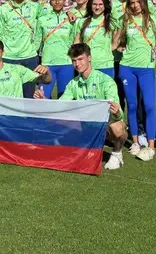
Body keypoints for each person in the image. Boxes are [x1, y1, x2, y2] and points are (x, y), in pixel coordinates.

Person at [41, 43, 126, 171]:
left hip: (105, 125)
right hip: (86, 125)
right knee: (55, 117)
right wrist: (45, 101)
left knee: (118, 127)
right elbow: (61, 106)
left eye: (80, 59)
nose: (77, 64)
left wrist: (116, 113)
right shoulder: (73, 83)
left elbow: (119, 114)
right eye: (74, 61)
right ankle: (67, 145)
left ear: (89, 58)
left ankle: (117, 153)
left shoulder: (105, 81)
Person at [113, 0, 156, 161]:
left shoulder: (154, 20)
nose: (134, 5)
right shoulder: (124, 20)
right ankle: (134, 142)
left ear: (143, 2)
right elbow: (116, 40)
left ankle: (151, 145)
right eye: (131, 2)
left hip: (146, 68)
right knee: (132, 105)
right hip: (127, 67)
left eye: (137, 2)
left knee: (148, 106)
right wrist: (118, 48)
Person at [0, 0, 40, 98]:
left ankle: (27, 117)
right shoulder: (3, 9)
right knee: (9, 93)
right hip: (9, 57)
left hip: (29, 56)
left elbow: (46, 22)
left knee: (29, 94)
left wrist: (68, 12)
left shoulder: (35, 7)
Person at [36, 0, 77, 98]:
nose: (57, 2)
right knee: (43, 95)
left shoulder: (71, 20)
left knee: (65, 97)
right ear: (50, 2)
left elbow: (73, 41)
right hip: (47, 63)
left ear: (64, 1)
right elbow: (37, 42)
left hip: (66, 63)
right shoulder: (42, 19)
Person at [72, 0, 116, 78]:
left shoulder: (112, 22)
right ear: (90, 5)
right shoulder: (82, 22)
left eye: (100, 4)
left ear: (105, 5)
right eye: (94, 4)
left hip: (106, 65)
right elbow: (77, 42)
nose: (97, 7)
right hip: (86, 66)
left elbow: (116, 41)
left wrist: (105, 52)